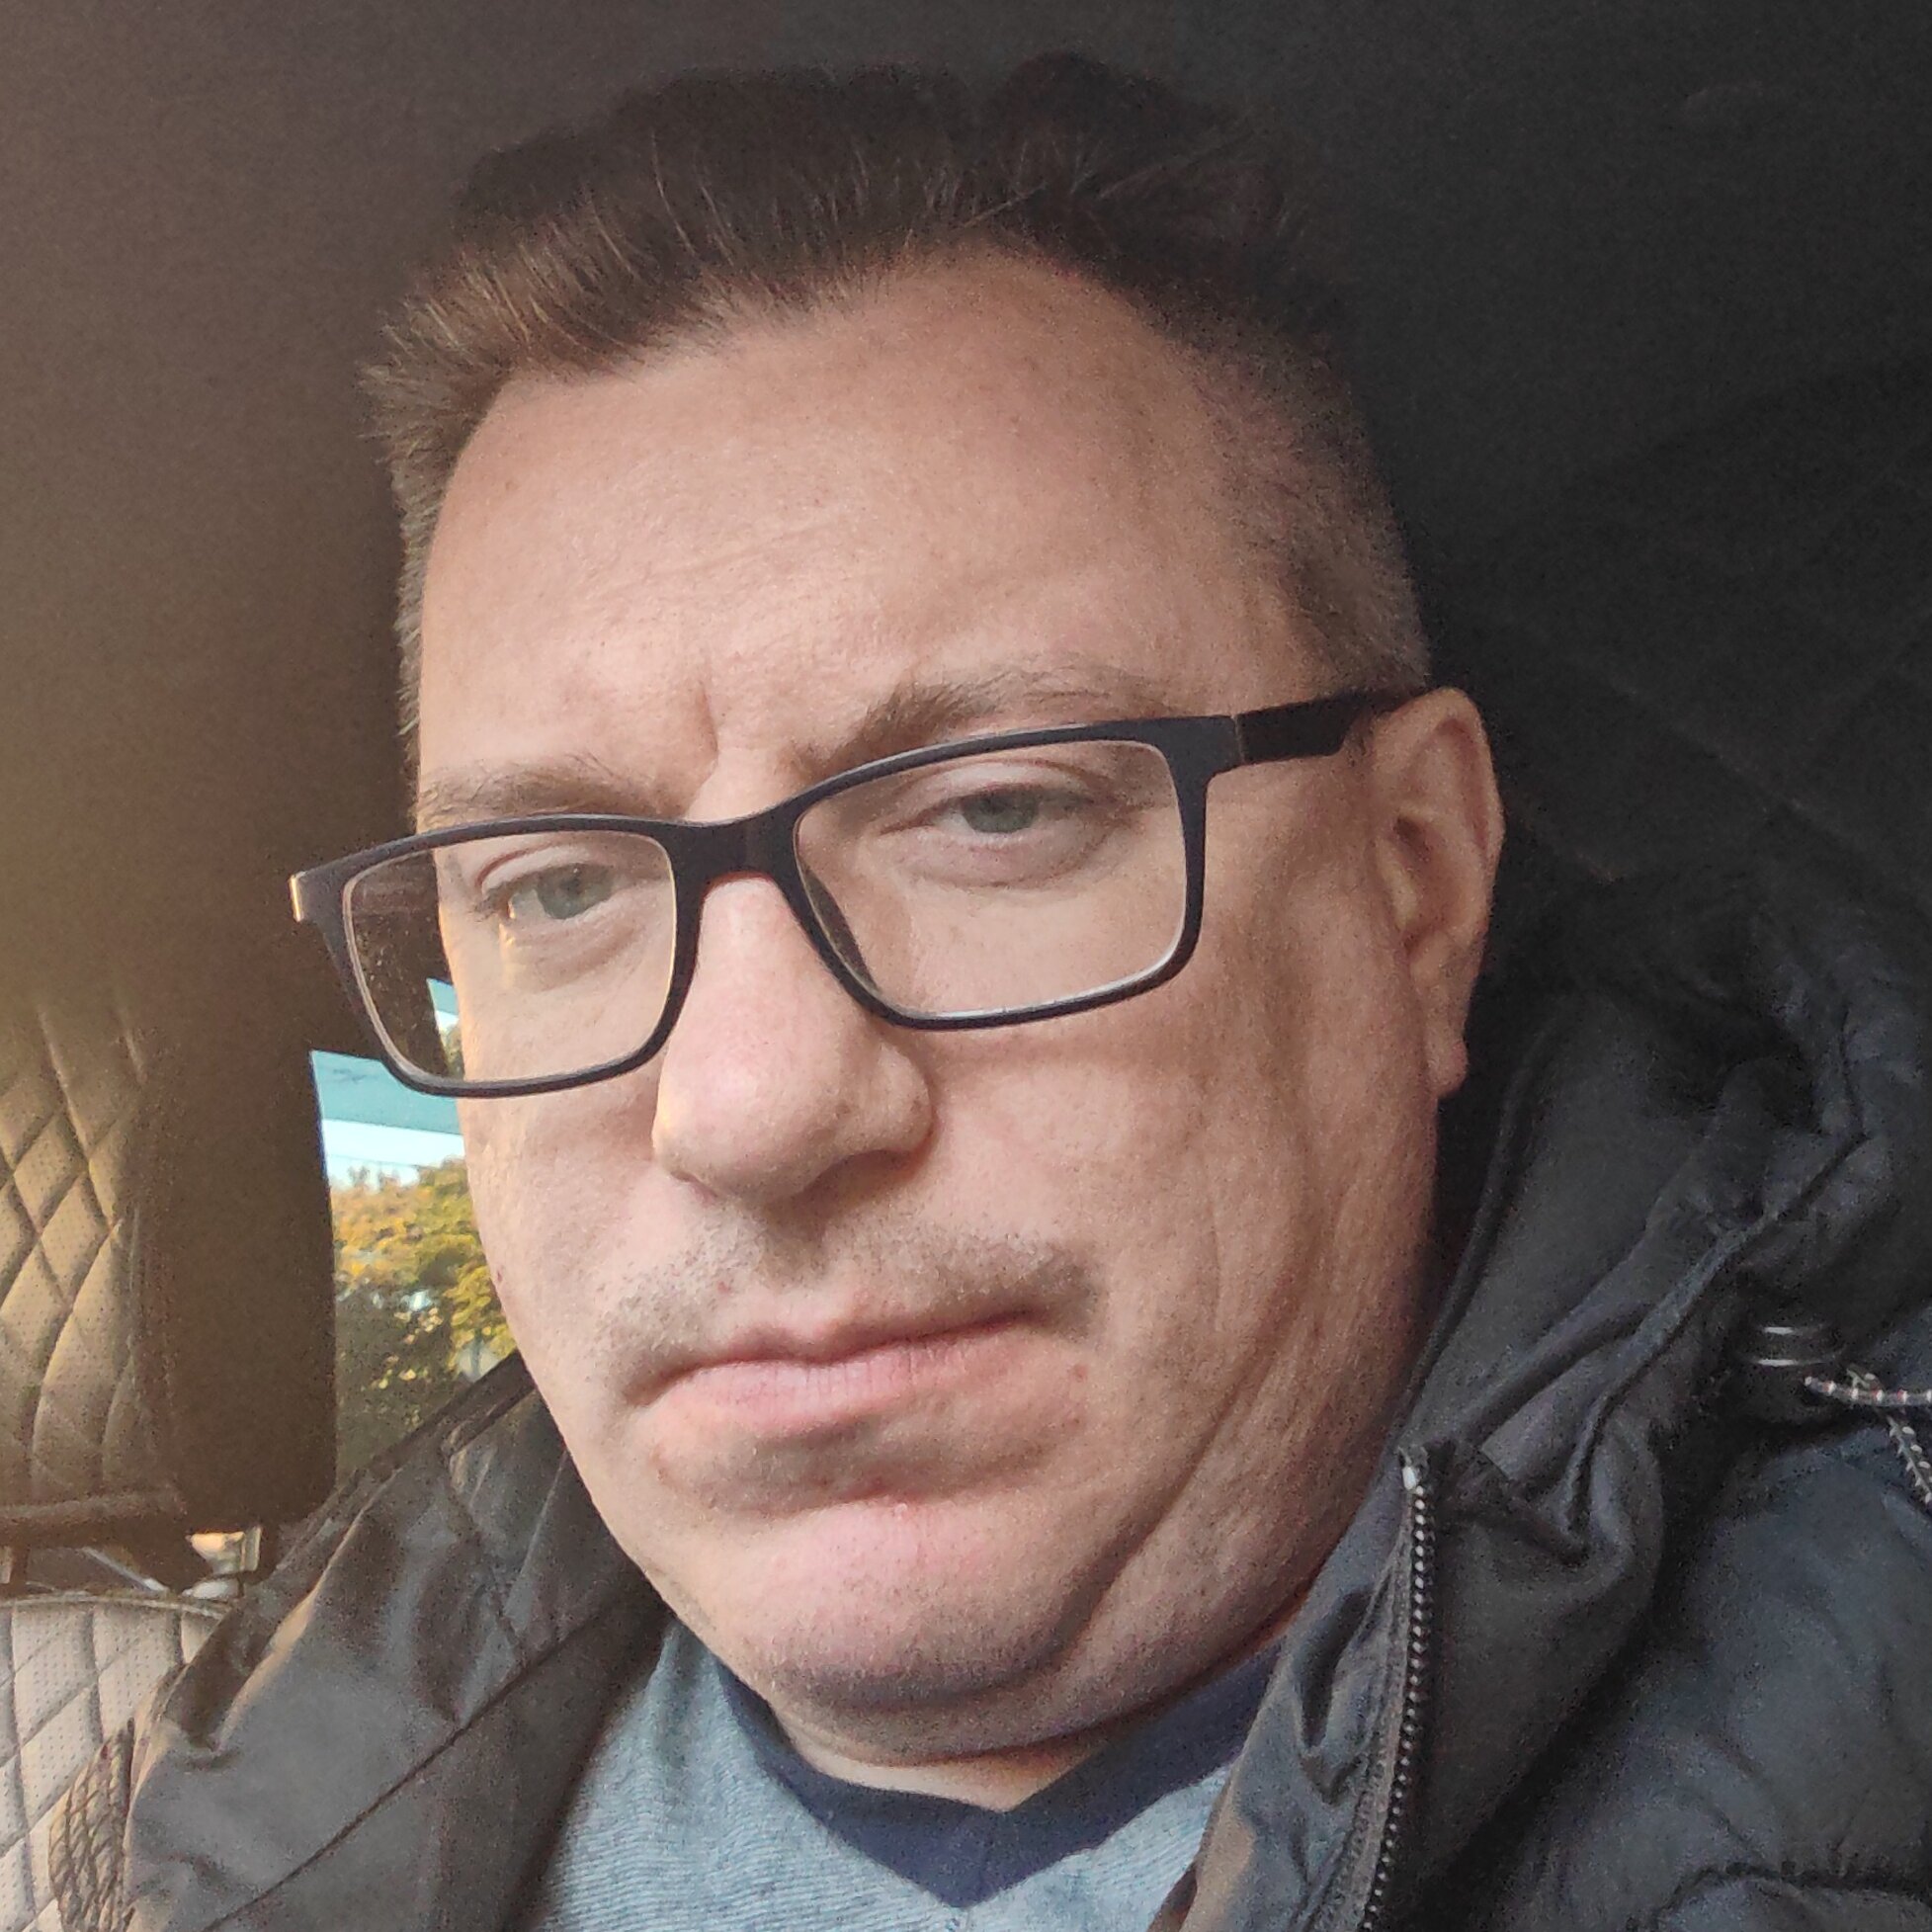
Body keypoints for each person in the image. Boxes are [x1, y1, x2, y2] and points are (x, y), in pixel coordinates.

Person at [51, 52, 1932, 1932]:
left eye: (997, 810)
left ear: (1414, 883)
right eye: (558, 886)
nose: (749, 1108)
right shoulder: (168, 1824)